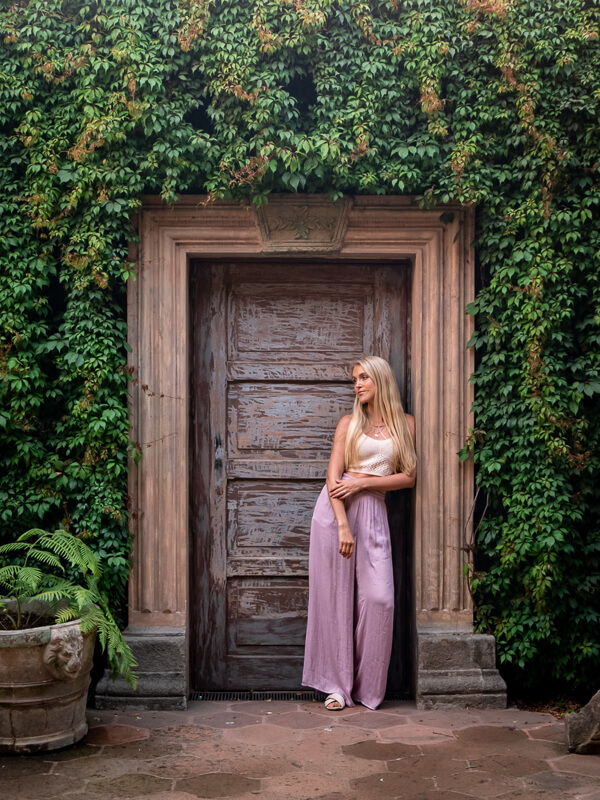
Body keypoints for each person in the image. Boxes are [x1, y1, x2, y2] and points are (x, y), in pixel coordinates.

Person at [302, 355, 416, 711]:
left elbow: (409, 476)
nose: (358, 384)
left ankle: (367, 689)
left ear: (381, 379)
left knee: (379, 599)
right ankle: (336, 686)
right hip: (336, 514)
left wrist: (366, 482)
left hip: (374, 512)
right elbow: (333, 478)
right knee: (334, 600)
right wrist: (342, 526)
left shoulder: (406, 425)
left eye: (364, 377)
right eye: (355, 379)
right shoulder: (348, 423)